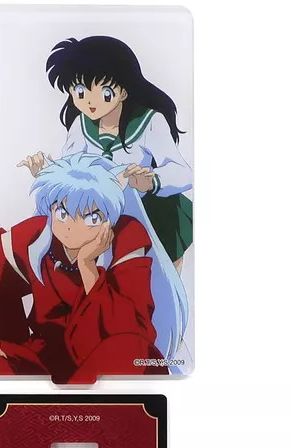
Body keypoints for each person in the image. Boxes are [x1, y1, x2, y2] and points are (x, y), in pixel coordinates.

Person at [0, 153, 182, 383]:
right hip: (42, 362)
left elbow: (133, 336)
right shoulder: (39, 234)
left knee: (128, 352)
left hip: (104, 362)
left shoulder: (126, 237)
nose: (73, 227)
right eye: (63, 213)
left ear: (109, 219)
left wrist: (88, 267)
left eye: (91, 218)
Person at [18, 36, 193, 272]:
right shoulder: (81, 125)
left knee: (156, 276)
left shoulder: (150, 122)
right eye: (80, 91)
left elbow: (184, 174)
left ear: (124, 91)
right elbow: (70, 168)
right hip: (102, 213)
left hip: (150, 212)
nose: (90, 102)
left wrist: (151, 181)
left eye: (105, 93)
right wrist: (46, 172)